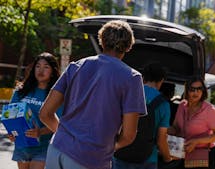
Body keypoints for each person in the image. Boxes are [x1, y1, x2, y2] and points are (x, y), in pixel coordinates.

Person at [39, 20, 147, 169]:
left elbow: (45, 113)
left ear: (101, 40)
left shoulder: (75, 66)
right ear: (129, 46)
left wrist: (68, 137)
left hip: (57, 150)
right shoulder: (132, 78)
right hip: (91, 157)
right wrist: (110, 146)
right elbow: (129, 135)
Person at [112, 62, 174, 169]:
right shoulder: (163, 104)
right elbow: (161, 139)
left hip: (119, 153)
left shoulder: (127, 93)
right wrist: (167, 158)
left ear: (143, 77)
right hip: (147, 159)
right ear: (161, 81)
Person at [7, 52, 62, 169]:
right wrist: (11, 133)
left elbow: (60, 125)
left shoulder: (56, 95)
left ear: (53, 71)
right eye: (38, 66)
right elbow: (10, 116)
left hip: (44, 146)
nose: (40, 70)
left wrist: (40, 132)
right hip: (22, 146)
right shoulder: (20, 91)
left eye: (46, 67)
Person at [168, 76, 215, 169]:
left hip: (204, 155)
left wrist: (197, 141)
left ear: (203, 91)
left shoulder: (209, 110)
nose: (196, 92)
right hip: (183, 153)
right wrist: (164, 130)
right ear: (187, 90)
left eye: (199, 89)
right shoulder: (182, 105)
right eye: (192, 89)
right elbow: (176, 128)